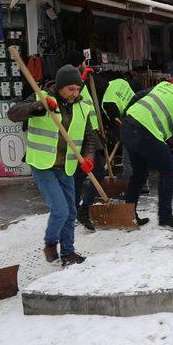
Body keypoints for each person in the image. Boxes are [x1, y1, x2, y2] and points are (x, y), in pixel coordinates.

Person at [8, 65, 97, 266]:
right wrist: (37, 106)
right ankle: (50, 243)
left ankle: (68, 253)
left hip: (66, 166)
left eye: (78, 89)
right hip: (43, 164)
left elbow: (89, 137)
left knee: (71, 211)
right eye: (70, 89)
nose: (75, 93)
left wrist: (89, 157)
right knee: (60, 209)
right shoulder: (43, 97)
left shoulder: (83, 107)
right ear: (60, 87)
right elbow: (13, 113)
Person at [121, 79, 173, 229]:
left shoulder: (165, 85)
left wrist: (126, 114)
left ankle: (129, 216)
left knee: (139, 174)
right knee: (169, 170)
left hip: (129, 126)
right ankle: (165, 217)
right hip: (144, 132)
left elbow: (138, 95)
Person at [63, 50, 108, 231]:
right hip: (76, 134)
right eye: (83, 62)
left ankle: (80, 209)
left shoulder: (82, 81)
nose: (86, 65)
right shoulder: (69, 79)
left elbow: (87, 107)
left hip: (89, 132)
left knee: (91, 174)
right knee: (82, 175)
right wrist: (81, 78)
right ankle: (77, 211)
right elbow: (71, 98)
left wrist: (97, 130)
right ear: (79, 64)